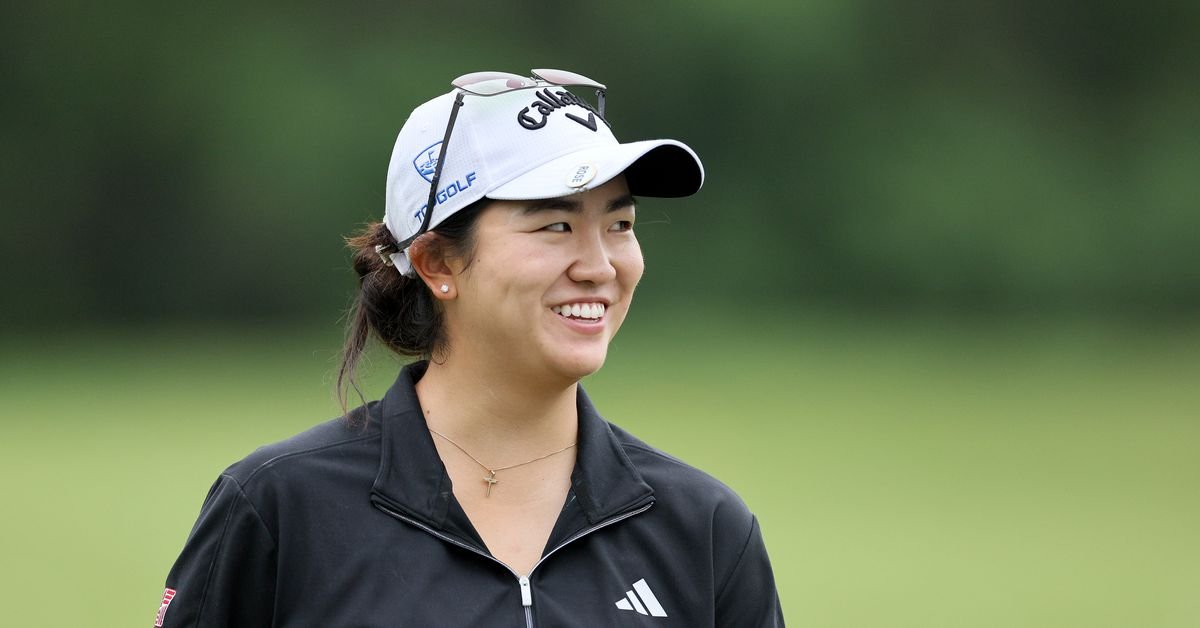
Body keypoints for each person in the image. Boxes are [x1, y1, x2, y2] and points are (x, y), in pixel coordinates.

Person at [158, 69, 784, 627]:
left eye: (619, 225)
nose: (599, 266)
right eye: (555, 225)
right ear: (436, 262)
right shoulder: (280, 509)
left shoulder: (702, 528)